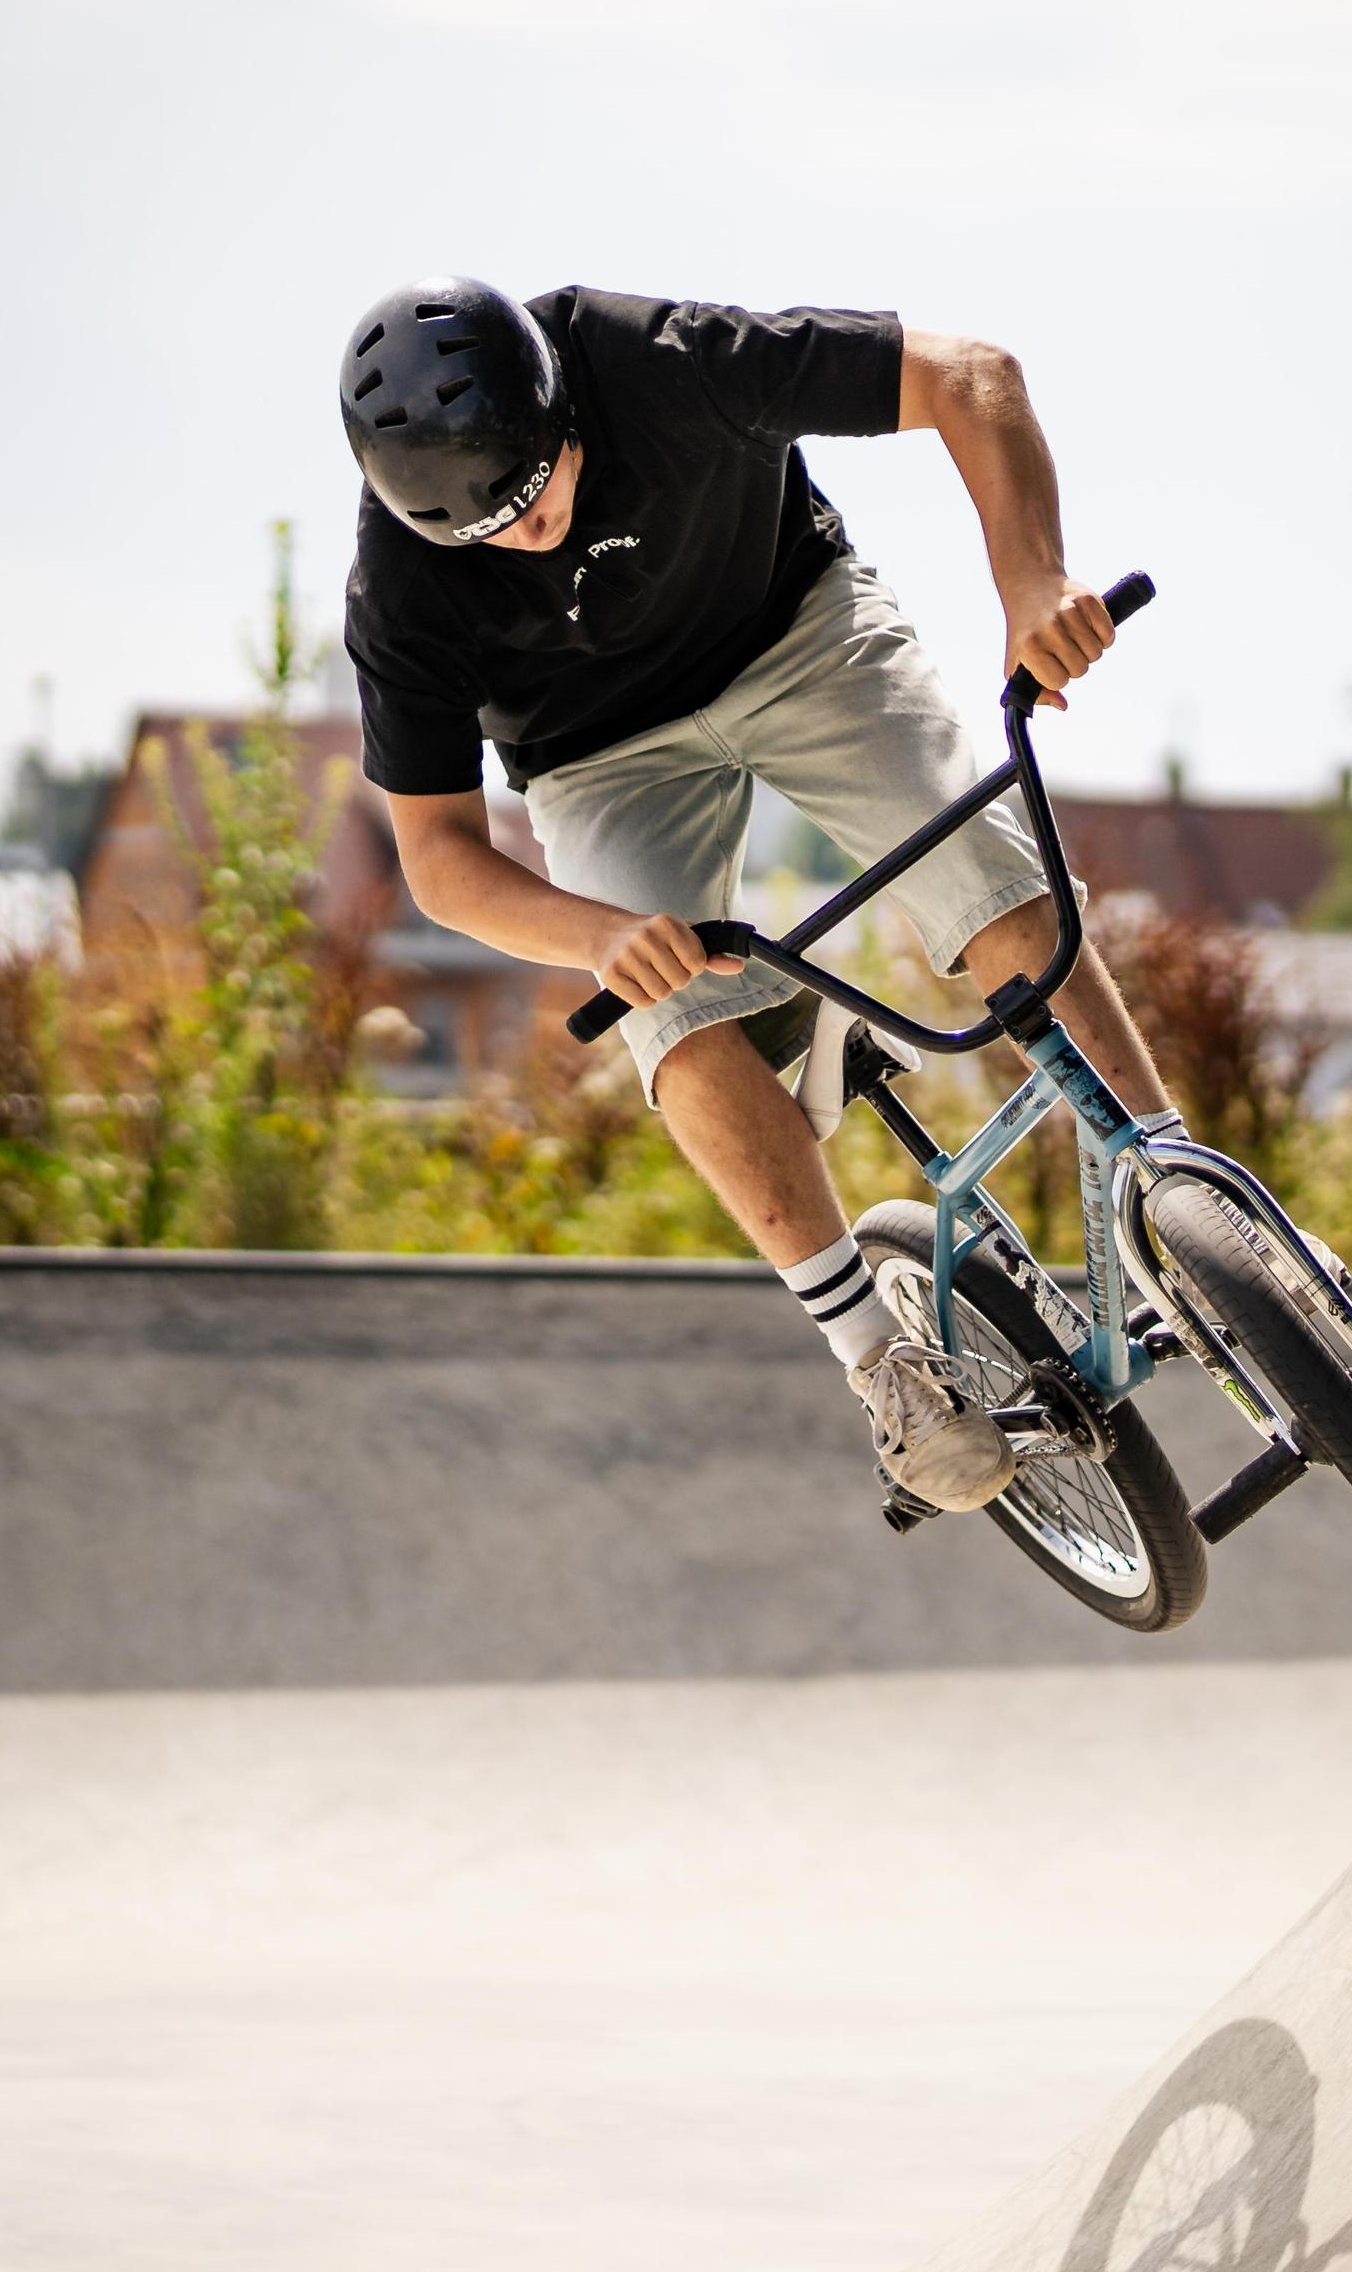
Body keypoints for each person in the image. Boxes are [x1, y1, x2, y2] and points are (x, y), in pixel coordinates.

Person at [339, 278, 1184, 1515]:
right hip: (594, 752)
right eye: (490, 538)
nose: (526, 542)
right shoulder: (400, 586)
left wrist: (1029, 583)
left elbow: (968, 373)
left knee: (986, 870)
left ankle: (1180, 1207)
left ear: (567, 406)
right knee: (668, 1015)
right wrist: (602, 935)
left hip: (797, 632)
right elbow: (438, 860)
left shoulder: (665, 360)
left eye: (539, 501)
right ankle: (881, 1364)